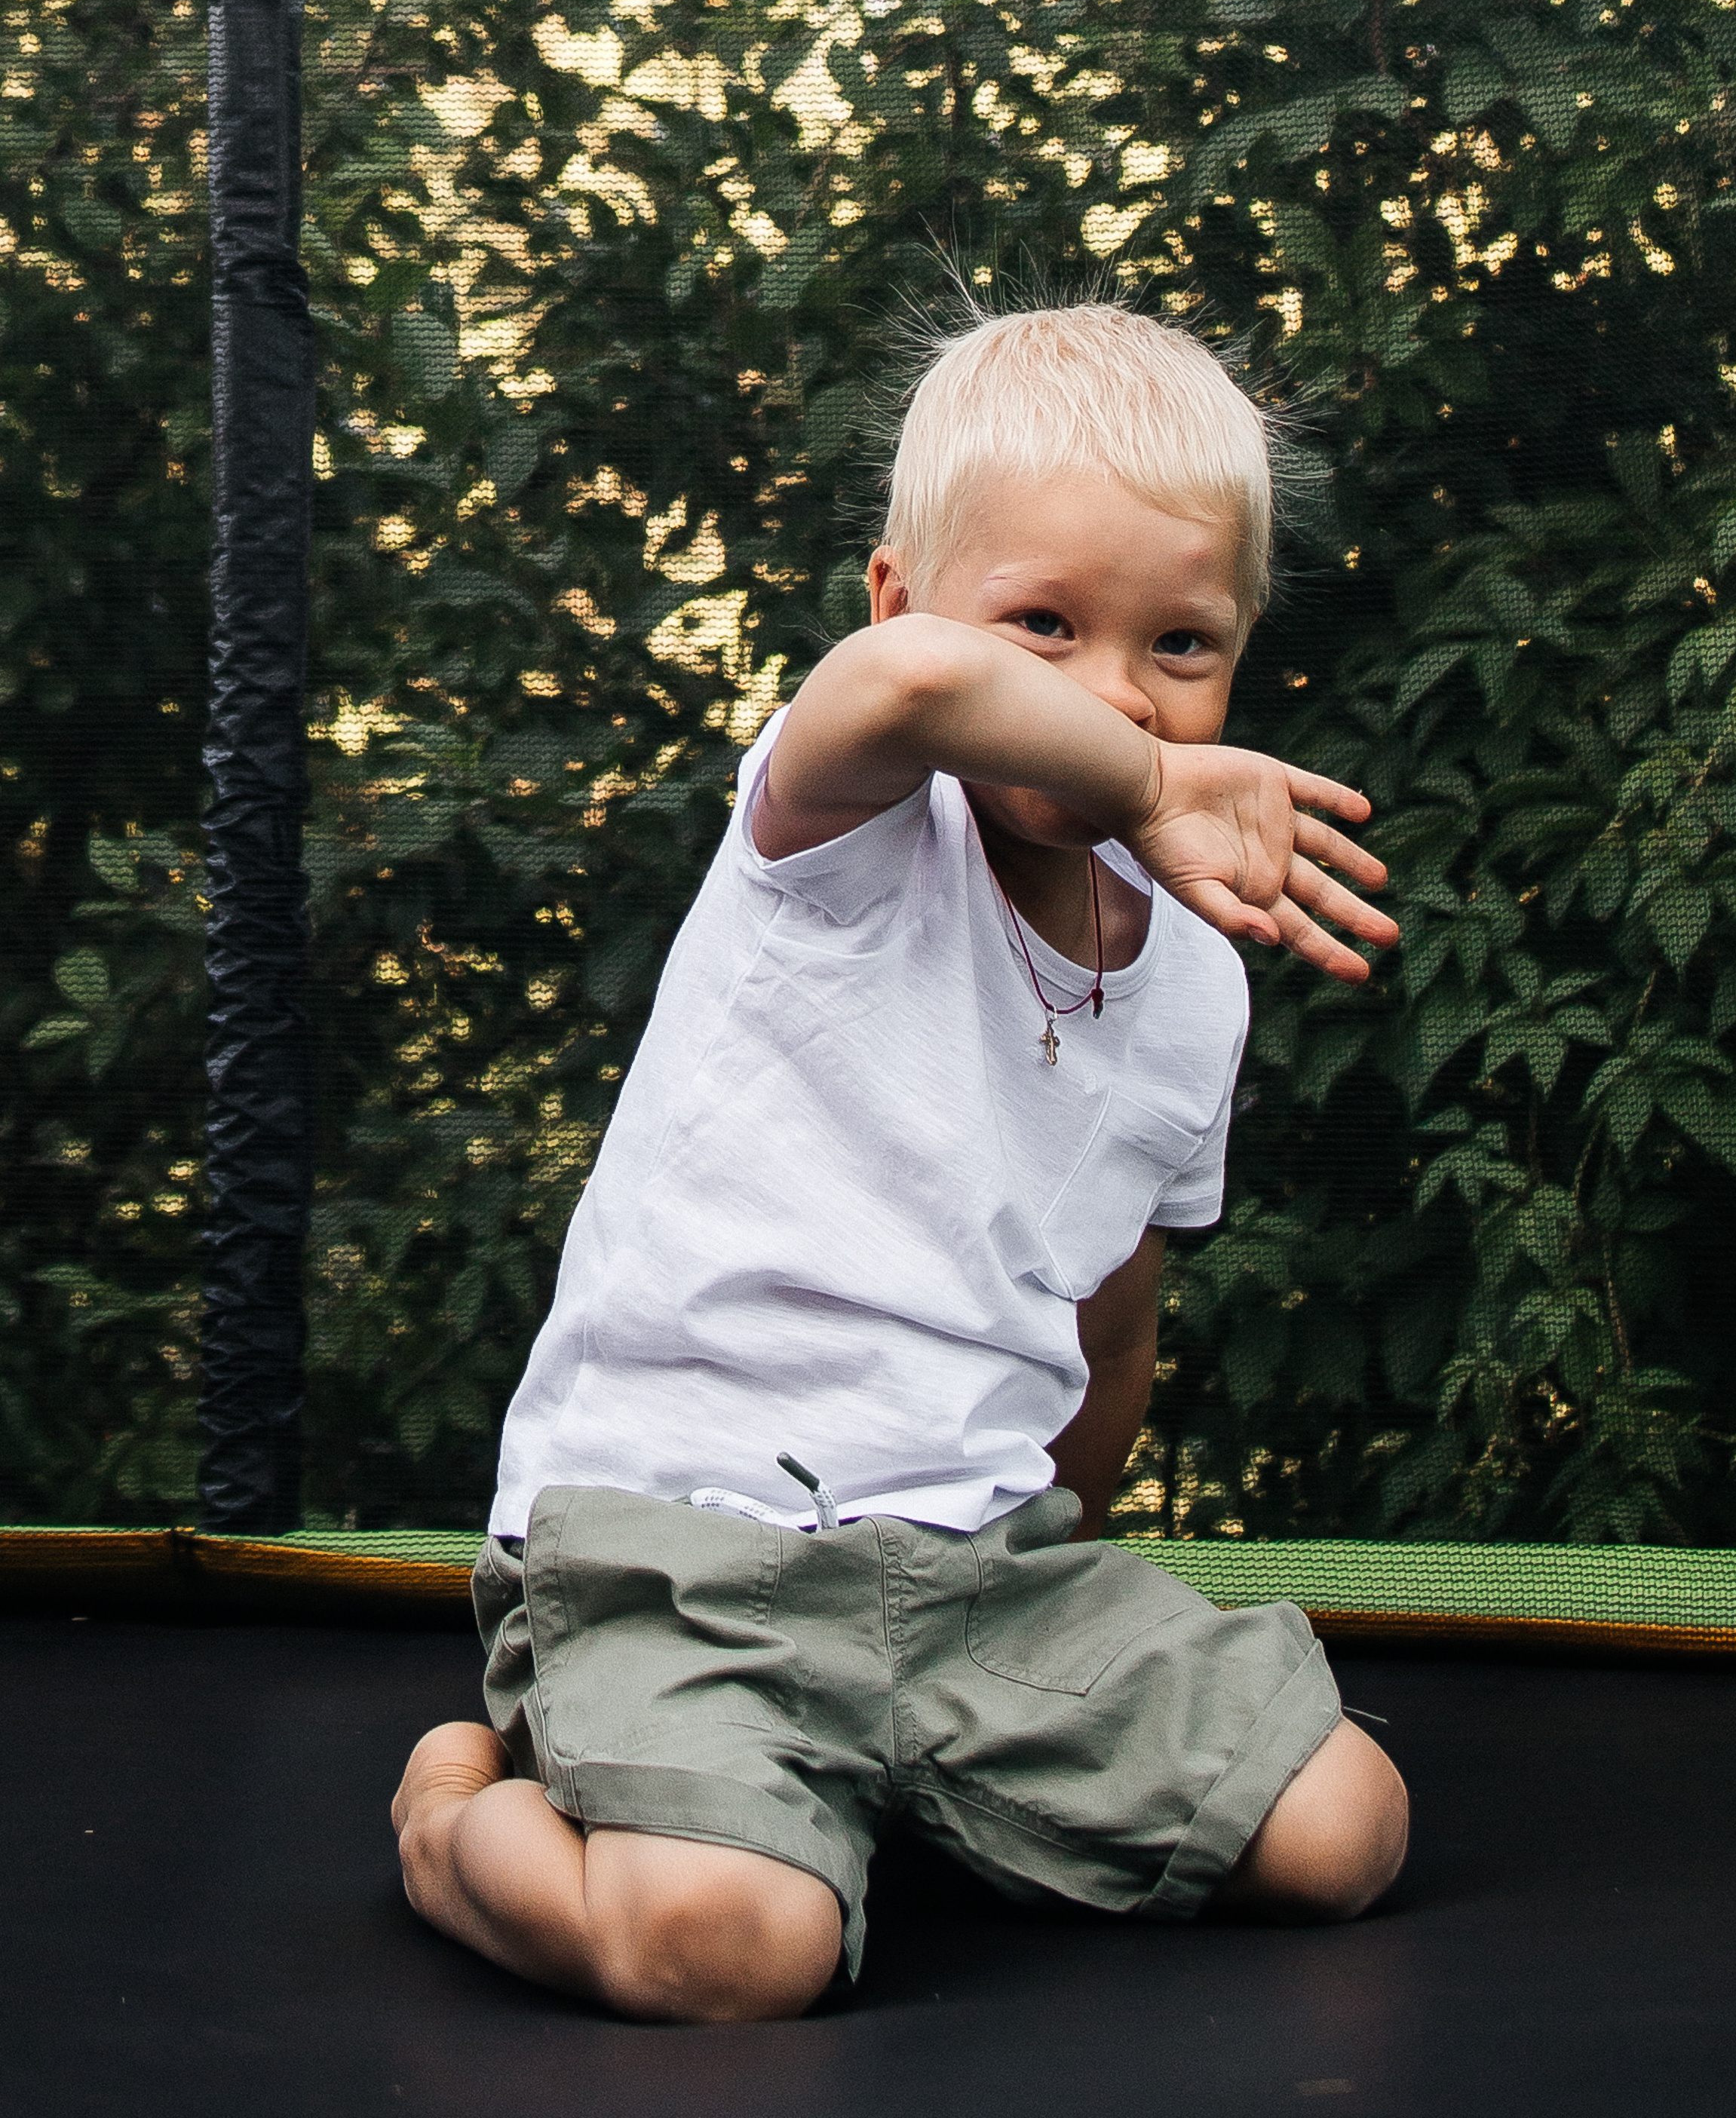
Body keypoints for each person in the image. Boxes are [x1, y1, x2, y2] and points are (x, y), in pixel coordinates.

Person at [391, 299, 1409, 2024]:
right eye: (1041, 627)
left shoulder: (1188, 989)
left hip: (969, 1573)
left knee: (1340, 1829)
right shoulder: (843, 836)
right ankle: (447, 1817)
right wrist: (1145, 777)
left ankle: (888, 1779)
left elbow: (1111, 1332)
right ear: (898, 597)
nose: (1108, 692)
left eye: (1179, 646)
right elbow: (916, 697)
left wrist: (1050, 1607)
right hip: (678, 1548)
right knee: (736, 1951)